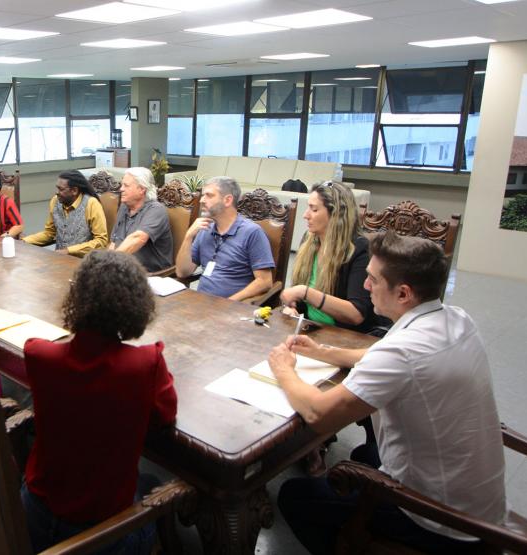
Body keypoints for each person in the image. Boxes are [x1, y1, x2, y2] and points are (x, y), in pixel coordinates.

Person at [268, 231, 505, 554]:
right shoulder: (455, 319)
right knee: (365, 455)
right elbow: (383, 355)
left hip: (439, 519)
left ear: (403, 293)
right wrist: (324, 351)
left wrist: (284, 369)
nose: (365, 287)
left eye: (373, 280)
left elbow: (318, 415)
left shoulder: (402, 352)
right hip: (481, 506)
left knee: (294, 496)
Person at [21, 250, 178, 553]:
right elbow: (164, 417)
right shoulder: (146, 363)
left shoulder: (39, 354)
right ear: (137, 305)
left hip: (34, 518)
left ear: (76, 298)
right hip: (104, 535)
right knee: (150, 482)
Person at [279, 181, 377, 333]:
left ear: (336, 214)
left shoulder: (359, 249)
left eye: (314, 209)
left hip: (342, 335)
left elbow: (356, 314)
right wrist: (291, 307)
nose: (305, 215)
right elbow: (299, 298)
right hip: (309, 327)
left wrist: (305, 293)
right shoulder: (309, 239)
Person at [175, 176, 275, 301]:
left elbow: (265, 282)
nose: (201, 200)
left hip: (231, 309)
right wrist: (188, 237)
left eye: (209, 195)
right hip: (201, 303)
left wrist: (229, 302)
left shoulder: (252, 232)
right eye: (203, 195)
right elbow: (183, 272)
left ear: (227, 200)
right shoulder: (205, 229)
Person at [23, 170, 108, 256]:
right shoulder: (55, 201)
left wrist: (69, 250)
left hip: (84, 262)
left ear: (74, 190)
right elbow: (50, 233)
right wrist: (24, 241)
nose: (57, 192)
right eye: (57, 188)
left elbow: (101, 241)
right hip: (59, 260)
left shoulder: (91, 204)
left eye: (61, 189)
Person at [108, 167, 173, 273]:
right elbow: (114, 242)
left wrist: (108, 264)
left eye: (126, 185)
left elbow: (138, 238)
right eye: (122, 184)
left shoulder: (156, 210)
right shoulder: (124, 206)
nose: (121, 189)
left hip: (150, 274)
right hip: (123, 268)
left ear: (142, 189)